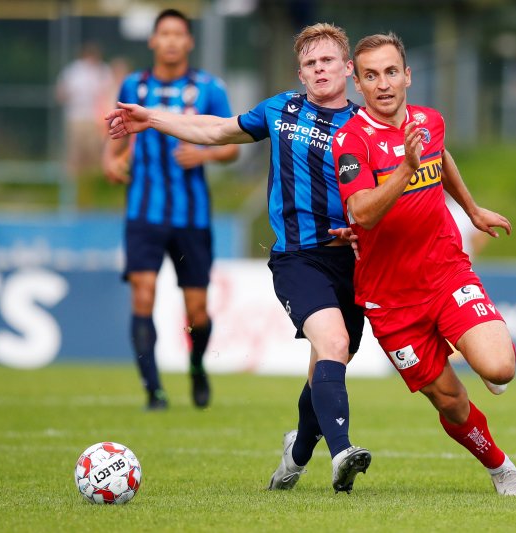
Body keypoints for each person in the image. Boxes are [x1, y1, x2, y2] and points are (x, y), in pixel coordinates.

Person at [106, 23, 371, 493]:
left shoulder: (365, 125)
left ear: (348, 69)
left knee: (328, 364)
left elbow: (386, 193)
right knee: (332, 344)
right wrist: (153, 119)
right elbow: (217, 130)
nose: (319, 69)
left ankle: (298, 452)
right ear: (301, 74)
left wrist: (368, 225)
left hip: (352, 263)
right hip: (298, 260)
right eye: (310, 64)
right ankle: (343, 453)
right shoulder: (281, 110)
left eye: (328, 61)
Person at [332, 32, 516, 496]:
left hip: (445, 271)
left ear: (407, 75)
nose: (382, 84)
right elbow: (361, 212)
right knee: (451, 401)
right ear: (358, 84)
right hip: (390, 298)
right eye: (370, 76)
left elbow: (439, 157)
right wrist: (405, 168)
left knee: (500, 368)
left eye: (390, 72)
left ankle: (485, 360)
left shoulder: (430, 120)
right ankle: (502, 468)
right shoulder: (351, 141)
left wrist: (472, 208)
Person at [102, 9, 239, 411]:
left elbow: (232, 145)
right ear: (153, 41)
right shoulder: (133, 85)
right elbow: (114, 140)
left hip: (191, 218)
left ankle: (197, 366)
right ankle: (154, 389)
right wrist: (112, 162)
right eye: (165, 33)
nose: (172, 41)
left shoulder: (209, 88)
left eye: (179, 34)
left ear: (189, 42)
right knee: (142, 294)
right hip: (143, 214)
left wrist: (206, 156)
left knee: (196, 309)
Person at [58, 41, 112, 208]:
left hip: (96, 120)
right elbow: (61, 93)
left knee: (96, 160)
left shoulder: (103, 71)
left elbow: (110, 94)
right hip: (76, 119)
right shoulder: (74, 71)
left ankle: (96, 199)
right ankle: (72, 200)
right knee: (75, 162)